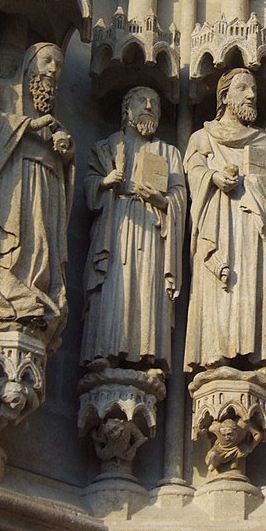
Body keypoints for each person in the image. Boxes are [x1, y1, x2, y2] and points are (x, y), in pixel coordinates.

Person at [184, 68, 266, 372]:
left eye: (253, 89)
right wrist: (214, 177)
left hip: (255, 227)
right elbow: (193, 173)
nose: (251, 95)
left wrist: (256, 183)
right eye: (243, 89)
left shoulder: (265, 142)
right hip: (218, 224)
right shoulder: (202, 138)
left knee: (252, 287)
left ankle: (255, 355)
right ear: (224, 96)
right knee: (220, 286)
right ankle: (214, 354)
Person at [0, 43, 74, 350]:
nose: (53, 70)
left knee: (39, 244)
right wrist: (29, 125)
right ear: (29, 63)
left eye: (58, 65)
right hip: (11, 178)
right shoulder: (3, 90)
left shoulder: (51, 114)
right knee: (6, 237)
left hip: (45, 183)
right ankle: (0, 294)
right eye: (46, 61)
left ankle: (33, 294)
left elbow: (65, 156)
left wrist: (66, 149)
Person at [81, 86, 186, 373]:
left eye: (156, 103)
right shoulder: (107, 147)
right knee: (116, 282)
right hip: (117, 224)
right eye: (142, 101)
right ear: (127, 110)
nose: (150, 106)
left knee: (146, 284)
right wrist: (105, 182)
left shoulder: (169, 153)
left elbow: (179, 197)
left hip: (152, 228)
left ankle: (147, 354)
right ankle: (104, 350)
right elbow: (88, 187)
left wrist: (160, 199)